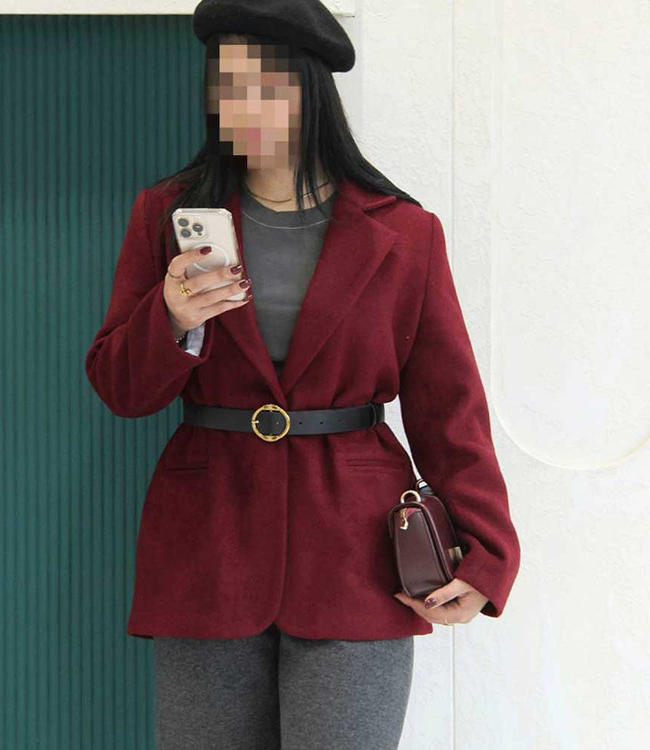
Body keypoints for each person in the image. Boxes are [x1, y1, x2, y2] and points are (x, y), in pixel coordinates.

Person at [84, 1, 521, 748]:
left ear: (310, 90)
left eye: (263, 86)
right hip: (208, 544)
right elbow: (121, 390)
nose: (239, 107)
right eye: (225, 86)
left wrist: (487, 552)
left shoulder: (403, 232)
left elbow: (449, 404)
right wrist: (171, 317)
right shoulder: (168, 215)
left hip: (357, 550)